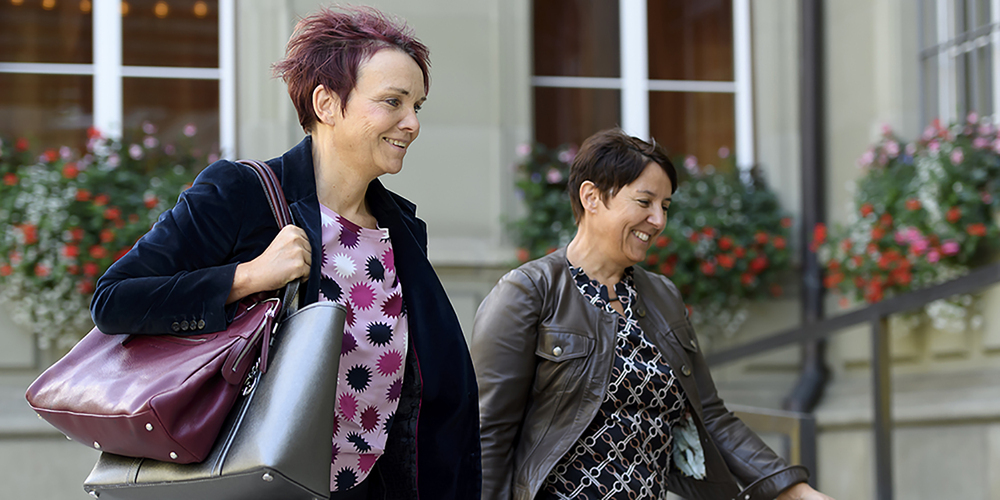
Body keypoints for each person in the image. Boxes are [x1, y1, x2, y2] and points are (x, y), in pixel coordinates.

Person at [90, 6, 481, 499]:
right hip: (260, 482)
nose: (412, 124)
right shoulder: (241, 193)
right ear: (326, 103)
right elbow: (114, 299)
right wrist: (248, 277)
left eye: (417, 106)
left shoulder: (399, 228)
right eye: (392, 102)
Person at [471, 128, 834, 500]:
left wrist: (791, 489)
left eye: (665, 206)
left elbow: (709, 415)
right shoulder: (528, 291)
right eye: (645, 202)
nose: (658, 220)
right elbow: (487, 433)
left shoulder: (663, 296)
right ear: (591, 197)